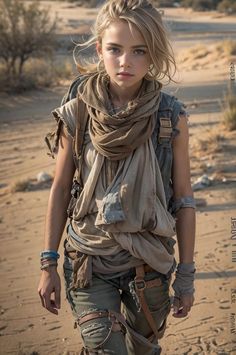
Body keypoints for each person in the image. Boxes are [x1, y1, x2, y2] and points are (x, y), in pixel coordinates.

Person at [38, 1, 196, 354]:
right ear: (99, 49)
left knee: (143, 350)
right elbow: (61, 187)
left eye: (139, 51)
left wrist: (186, 275)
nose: (125, 61)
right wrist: (47, 263)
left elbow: (184, 199)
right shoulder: (78, 111)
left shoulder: (170, 117)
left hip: (150, 265)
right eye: (115, 49)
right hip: (88, 262)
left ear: (152, 55)